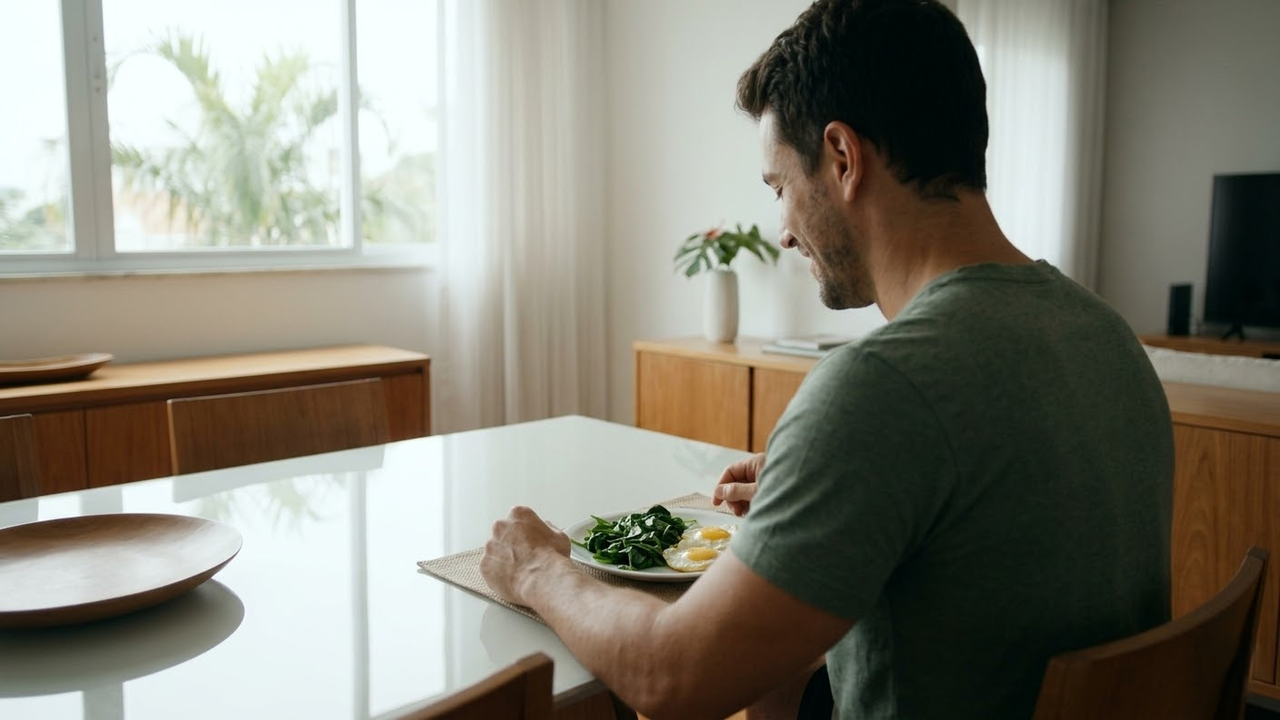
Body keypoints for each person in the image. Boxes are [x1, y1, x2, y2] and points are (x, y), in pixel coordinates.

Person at [480, 0, 1175, 717]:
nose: (782, 231)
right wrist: (823, 481)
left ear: (843, 158)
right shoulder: (1105, 334)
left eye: (779, 187)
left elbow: (673, 680)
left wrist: (538, 569)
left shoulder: (882, 388)